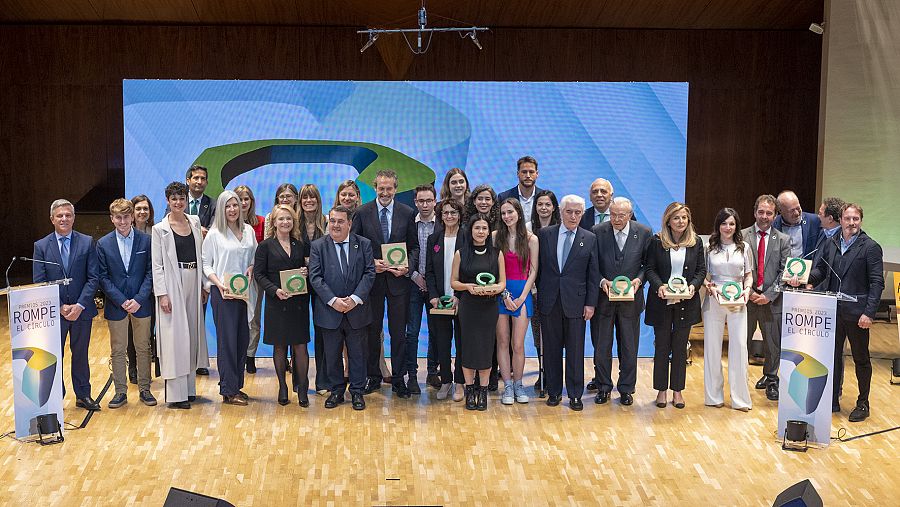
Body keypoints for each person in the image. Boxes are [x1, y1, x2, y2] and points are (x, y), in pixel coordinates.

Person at [802, 203, 883, 422]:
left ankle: (863, 402)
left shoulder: (870, 247)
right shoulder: (831, 243)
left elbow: (877, 283)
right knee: (833, 357)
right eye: (848, 219)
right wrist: (807, 280)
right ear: (841, 220)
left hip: (858, 314)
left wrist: (869, 313)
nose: (851, 223)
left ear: (861, 221)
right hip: (832, 311)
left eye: (856, 219)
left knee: (860, 359)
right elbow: (821, 270)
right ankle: (832, 400)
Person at [350, 169, 419, 397]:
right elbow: (354, 247)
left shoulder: (408, 213)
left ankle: (399, 378)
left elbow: (415, 247)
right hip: (373, 282)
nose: (385, 192)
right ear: (375, 188)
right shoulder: (362, 212)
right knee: (372, 331)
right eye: (381, 188)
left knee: (398, 333)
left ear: (396, 188)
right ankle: (374, 376)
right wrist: (370, 263)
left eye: (390, 188)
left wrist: (408, 266)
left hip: (399, 283)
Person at [33, 199, 100, 411]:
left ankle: (83, 395)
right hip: (54, 313)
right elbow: (39, 282)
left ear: (74, 218)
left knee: (80, 354)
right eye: (60, 216)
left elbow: (93, 278)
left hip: (82, 311)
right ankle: (55, 397)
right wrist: (60, 306)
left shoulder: (87, 242)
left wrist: (79, 305)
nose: (64, 219)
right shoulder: (41, 246)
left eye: (68, 215)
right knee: (55, 356)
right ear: (52, 219)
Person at [309, 205, 376, 411]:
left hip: (356, 311)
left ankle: (357, 391)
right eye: (332, 221)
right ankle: (336, 390)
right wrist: (333, 301)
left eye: (340, 221)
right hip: (330, 311)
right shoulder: (318, 246)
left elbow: (369, 273)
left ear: (349, 223)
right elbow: (315, 277)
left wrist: (355, 299)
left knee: (357, 354)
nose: (335, 225)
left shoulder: (363, 244)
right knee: (332, 353)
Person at [536, 195, 598, 411]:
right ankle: (553, 392)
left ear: (582, 213)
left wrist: (591, 304)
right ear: (560, 212)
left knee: (575, 350)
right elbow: (539, 268)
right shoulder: (545, 234)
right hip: (549, 301)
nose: (573, 216)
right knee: (551, 349)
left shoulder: (589, 238)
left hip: (577, 303)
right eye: (569, 212)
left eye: (578, 212)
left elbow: (593, 274)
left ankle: (574, 394)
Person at [152, 182, 209, 409]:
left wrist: (204, 285)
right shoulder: (160, 229)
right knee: (175, 338)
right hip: (173, 284)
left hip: (194, 279)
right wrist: (162, 295)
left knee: (192, 335)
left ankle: (189, 388)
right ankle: (176, 395)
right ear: (167, 200)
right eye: (174, 198)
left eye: (182, 198)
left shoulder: (194, 221)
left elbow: (202, 256)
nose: (178, 202)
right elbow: (157, 266)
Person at [644, 202, 706, 409]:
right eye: (676, 218)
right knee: (662, 346)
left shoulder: (695, 242)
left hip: (685, 303)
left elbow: (700, 271)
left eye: (684, 218)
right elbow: (649, 269)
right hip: (662, 302)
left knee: (680, 348)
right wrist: (658, 286)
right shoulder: (656, 241)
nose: (681, 222)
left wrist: (693, 287)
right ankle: (661, 390)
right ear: (668, 221)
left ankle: (677, 391)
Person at [592, 196, 652, 406]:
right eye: (613, 214)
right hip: (603, 300)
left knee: (629, 346)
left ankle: (626, 388)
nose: (616, 219)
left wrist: (639, 280)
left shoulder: (644, 232)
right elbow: (592, 265)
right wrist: (601, 281)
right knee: (601, 347)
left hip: (630, 301)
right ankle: (603, 387)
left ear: (629, 214)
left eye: (621, 215)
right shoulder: (597, 231)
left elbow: (647, 265)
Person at [97, 198, 156, 408]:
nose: (122, 221)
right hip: (116, 305)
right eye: (118, 217)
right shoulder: (103, 244)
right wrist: (122, 301)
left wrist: (139, 299)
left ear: (132, 217)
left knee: (143, 347)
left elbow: (151, 273)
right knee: (118, 349)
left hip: (142, 303)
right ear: (112, 219)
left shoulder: (146, 241)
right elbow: (102, 277)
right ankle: (120, 391)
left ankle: (145, 389)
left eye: (126, 217)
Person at [202, 190, 258, 406]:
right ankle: (227, 389)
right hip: (223, 294)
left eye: (235, 205)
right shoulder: (215, 235)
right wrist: (217, 283)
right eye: (228, 206)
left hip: (244, 293)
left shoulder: (249, 231)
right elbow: (205, 263)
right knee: (227, 342)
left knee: (242, 340)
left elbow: (253, 256)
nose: (233, 209)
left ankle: (237, 386)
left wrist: (252, 267)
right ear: (221, 209)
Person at [253, 204, 311, 406]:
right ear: (274, 222)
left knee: (301, 346)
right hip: (276, 303)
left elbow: (305, 268)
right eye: (281, 219)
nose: (285, 222)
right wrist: (274, 290)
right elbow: (259, 274)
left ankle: (302, 387)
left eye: (289, 218)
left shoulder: (300, 244)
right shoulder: (265, 246)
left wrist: (305, 272)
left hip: (298, 304)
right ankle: (282, 386)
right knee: (280, 347)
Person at [451, 213, 506, 411]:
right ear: (470, 230)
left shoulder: (496, 253)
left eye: (484, 228)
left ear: (488, 231)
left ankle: (483, 391)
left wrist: (493, 289)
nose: (480, 232)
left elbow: (502, 283)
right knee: (467, 349)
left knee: (485, 349)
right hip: (468, 307)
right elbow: (454, 282)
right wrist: (468, 287)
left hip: (488, 307)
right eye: (477, 228)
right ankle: (470, 390)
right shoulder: (461, 253)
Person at [702, 208, 754, 412]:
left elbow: (748, 275)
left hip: (738, 301)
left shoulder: (744, 247)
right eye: (724, 223)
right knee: (712, 349)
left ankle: (740, 399)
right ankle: (713, 396)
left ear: (736, 226)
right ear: (718, 225)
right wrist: (709, 286)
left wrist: (747, 291)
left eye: (731, 224)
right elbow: (704, 276)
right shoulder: (709, 247)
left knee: (740, 348)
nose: (728, 227)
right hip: (714, 300)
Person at [743, 194, 790, 401]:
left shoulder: (783, 240)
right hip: (747, 299)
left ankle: (771, 379)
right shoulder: (742, 236)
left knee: (773, 344)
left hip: (773, 301)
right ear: (754, 213)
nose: (764, 216)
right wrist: (750, 292)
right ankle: (740, 381)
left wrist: (769, 295)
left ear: (775, 215)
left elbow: (785, 272)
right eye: (761, 212)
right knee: (742, 341)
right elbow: (737, 268)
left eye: (769, 213)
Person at [494, 198, 538, 404]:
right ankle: (508, 387)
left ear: (518, 213)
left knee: (517, 344)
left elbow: (534, 270)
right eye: (503, 213)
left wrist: (521, 298)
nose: (507, 216)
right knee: (502, 342)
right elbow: (492, 269)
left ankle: (519, 384)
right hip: (501, 292)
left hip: (522, 292)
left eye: (510, 212)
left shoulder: (531, 239)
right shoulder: (495, 237)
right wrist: (504, 294)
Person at [425, 199, 467, 401]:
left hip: (462, 300)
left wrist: (459, 296)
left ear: (460, 214)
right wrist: (433, 296)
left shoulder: (467, 237)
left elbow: (470, 269)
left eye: (453, 212)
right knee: (442, 342)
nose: (449, 216)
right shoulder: (433, 239)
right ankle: (445, 381)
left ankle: (460, 383)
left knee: (461, 341)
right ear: (440, 216)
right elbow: (430, 272)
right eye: (445, 213)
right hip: (439, 301)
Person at [464, 184, 501, 390]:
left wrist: (496, 289)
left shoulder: (498, 236)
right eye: (480, 198)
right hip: (470, 302)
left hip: (490, 301)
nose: (484, 202)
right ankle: (470, 385)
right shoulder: (465, 243)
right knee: (470, 343)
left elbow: (500, 276)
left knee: (491, 342)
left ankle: (489, 383)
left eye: (488, 198)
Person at [296, 184, 330, 396]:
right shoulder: (293, 223)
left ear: (318, 200)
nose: (309, 201)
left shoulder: (326, 222)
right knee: (298, 333)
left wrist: (312, 265)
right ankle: (299, 383)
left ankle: (323, 381)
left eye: (312, 198)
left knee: (322, 332)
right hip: (297, 283)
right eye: (305, 198)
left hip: (320, 283)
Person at [581, 178, 614, 392]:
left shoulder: (624, 214)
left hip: (621, 289)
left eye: (603, 191)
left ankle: (623, 383)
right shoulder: (583, 217)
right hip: (594, 288)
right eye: (595, 191)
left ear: (611, 195)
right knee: (598, 339)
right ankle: (601, 378)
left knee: (625, 342)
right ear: (590, 195)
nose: (599, 194)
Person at [404, 184, 437, 395]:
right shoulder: (408, 223)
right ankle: (412, 376)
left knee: (436, 332)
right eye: (420, 201)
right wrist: (414, 276)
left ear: (435, 201)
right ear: (415, 202)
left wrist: (431, 282)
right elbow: (401, 251)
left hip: (436, 287)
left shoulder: (443, 224)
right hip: (413, 284)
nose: (424, 205)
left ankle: (433, 371)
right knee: (412, 332)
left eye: (428, 200)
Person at [529, 189, 560, 389]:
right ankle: (542, 373)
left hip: (555, 292)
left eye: (547, 204)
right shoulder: (527, 229)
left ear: (554, 207)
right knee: (538, 335)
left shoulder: (561, 229)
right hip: (532, 291)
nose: (543, 208)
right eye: (540, 204)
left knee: (553, 336)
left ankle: (553, 374)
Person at [235, 185, 265, 374]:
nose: (243, 203)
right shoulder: (227, 224)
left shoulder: (261, 222)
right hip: (233, 279)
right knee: (236, 319)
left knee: (253, 318)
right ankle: (237, 353)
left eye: (247, 199)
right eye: (240, 199)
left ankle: (250, 355)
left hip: (255, 278)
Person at [131, 194, 156, 381]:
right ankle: (132, 367)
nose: (142, 212)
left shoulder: (156, 232)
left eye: (145, 209)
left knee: (147, 333)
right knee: (130, 334)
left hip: (151, 292)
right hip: (130, 293)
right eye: (138, 208)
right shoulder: (124, 232)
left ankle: (145, 371)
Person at [773, 190, 822, 259]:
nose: (796, 213)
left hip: (808, 268)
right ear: (781, 211)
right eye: (791, 211)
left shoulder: (814, 221)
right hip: (782, 268)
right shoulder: (773, 225)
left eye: (798, 208)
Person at [498, 156, 543, 226]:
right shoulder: (504, 197)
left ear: (537, 174)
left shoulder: (544, 197)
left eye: (531, 172)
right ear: (517, 174)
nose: (528, 176)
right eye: (524, 172)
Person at [185, 165, 216, 233]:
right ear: (188, 181)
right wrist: (198, 230)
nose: (199, 182)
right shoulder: (178, 202)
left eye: (203, 178)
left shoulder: (213, 204)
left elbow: (213, 230)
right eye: (196, 178)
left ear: (206, 183)